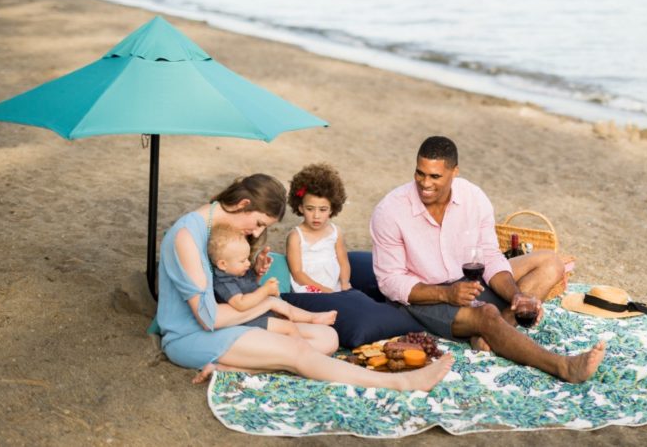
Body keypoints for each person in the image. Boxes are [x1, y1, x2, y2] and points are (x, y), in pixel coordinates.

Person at [156, 173, 454, 390]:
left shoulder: (216, 228)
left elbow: (224, 288)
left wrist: (253, 278)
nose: (255, 233)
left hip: (233, 322)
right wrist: (269, 301)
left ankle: (230, 367)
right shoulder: (187, 236)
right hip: (193, 335)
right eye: (258, 223)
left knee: (328, 338)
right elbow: (208, 318)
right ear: (242, 204)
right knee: (298, 351)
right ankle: (400, 383)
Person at [370, 136, 606, 383]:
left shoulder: (474, 197)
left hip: (469, 281)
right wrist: (446, 295)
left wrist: (515, 295)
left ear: (454, 172)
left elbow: (491, 256)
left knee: (550, 263)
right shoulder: (390, 211)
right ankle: (563, 366)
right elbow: (390, 282)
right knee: (487, 313)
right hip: (422, 297)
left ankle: (490, 333)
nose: (425, 183)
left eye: (435, 176)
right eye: (420, 174)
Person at [209, 225, 338, 340]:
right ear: (222, 264)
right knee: (288, 328)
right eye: (242, 261)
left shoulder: (236, 270)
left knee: (284, 307)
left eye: (247, 259)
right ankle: (302, 351)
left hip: (260, 312)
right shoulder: (223, 281)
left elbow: (250, 284)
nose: (248, 263)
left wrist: (258, 273)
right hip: (248, 322)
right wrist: (265, 290)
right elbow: (241, 304)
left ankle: (312, 318)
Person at [286, 163, 352, 293]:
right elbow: (297, 273)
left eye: (323, 210)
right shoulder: (296, 236)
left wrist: (345, 283)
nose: (316, 216)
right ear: (300, 208)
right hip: (308, 288)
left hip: (335, 285)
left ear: (332, 209)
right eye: (310, 209)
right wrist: (324, 290)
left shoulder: (335, 232)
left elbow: (343, 261)